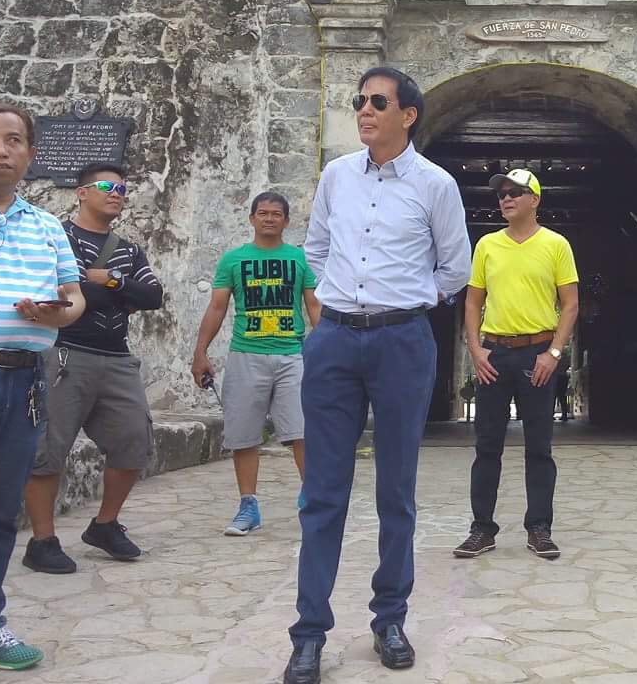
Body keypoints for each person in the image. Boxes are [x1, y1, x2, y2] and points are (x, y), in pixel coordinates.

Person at [284, 66, 470, 684]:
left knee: (396, 491)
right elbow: (313, 250)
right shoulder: (336, 175)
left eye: (377, 102)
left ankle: (389, 617)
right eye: (359, 100)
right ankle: (309, 633)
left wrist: (404, 304)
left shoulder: (436, 185)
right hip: (334, 340)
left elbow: (454, 269)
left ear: (407, 115)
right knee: (322, 493)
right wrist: (330, 309)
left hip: (401, 341)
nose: (364, 110)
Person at [0, 102, 84, 670]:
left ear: (31, 154)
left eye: (13, 140)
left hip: (22, 382)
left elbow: (74, 295)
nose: (0, 151)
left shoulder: (46, 226)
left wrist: (58, 314)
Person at [22, 162, 164, 574]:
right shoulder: (56, 237)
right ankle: (42, 541)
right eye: (107, 186)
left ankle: (104, 525)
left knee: (135, 441)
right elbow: (65, 290)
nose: (117, 193)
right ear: (81, 192)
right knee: (49, 450)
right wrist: (109, 291)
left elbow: (153, 296)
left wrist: (114, 282)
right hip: (64, 353)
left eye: (122, 187)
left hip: (117, 358)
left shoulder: (128, 249)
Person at [453, 168, 579, 561]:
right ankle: (481, 529)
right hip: (495, 354)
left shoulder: (556, 245)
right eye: (502, 194)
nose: (505, 199)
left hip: (537, 354)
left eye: (515, 193)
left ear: (534, 200)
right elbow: (473, 301)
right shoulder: (487, 245)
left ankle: (539, 528)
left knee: (539, 447)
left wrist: (554, 354)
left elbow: (571, 304)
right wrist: (476, 349)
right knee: (486, 446)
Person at [192, 192, 319, 536]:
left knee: (302, 430)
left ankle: (315, 501)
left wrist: (326, 352)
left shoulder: (300, 259)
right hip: (245, 354)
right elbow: (217, 307)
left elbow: (314, 307)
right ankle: (248, 506)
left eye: (276, 214)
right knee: (244, 434)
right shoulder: (234, 260)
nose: (268, 219)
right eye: (262, 213)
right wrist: (200, 352)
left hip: (293, 354)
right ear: (251, 219)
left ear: (286, 221)